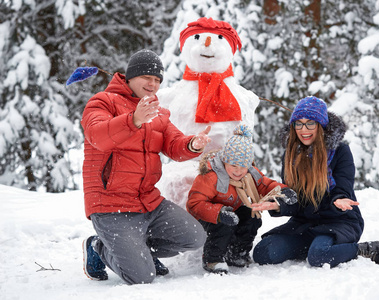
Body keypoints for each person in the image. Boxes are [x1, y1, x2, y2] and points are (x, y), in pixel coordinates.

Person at [81, 49, 210, 285]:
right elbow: (97, 136)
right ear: (130, 77)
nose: (152, 84)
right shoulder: (102, 101)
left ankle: (140, 253)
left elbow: (174, 144)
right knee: (141, 277)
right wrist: (134, 120)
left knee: (194, 238)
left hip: (148, 202)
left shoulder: (157, 113)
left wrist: (192, 144)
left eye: (157, 80)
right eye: (146, 78)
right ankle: (98, 247)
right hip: (111, 204)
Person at [252, 96, 379, 268]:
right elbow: (295, 199)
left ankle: (366, 249)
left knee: (319, 256)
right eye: (299, 123)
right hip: (304, 224)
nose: (304, 129)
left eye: (310, 123)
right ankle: (315, 246)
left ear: (321, 125)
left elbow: (343, 186)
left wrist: (338, 199)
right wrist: (279, 205)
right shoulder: (290, 156)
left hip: (339, 221)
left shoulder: (340, 151)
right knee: (263, 252)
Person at [186, 125, 298, 274]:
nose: (238, 171)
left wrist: (282, 191)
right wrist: (218, 212)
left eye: (243, 166)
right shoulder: (211, 176)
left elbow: (265, 184)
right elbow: (194, 204)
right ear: (225, 161)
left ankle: (237, 253)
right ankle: (213, 259)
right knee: (223, 226)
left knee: (251, 216)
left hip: (233, 209)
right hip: (209, 215)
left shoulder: (250, 174)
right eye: (233, 165)